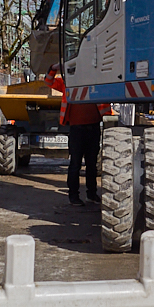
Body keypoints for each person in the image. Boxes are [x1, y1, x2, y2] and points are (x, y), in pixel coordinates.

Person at [46, 64, 112, 206]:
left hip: (93, 128)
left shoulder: (97, 82)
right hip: (77, 129)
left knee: (91, 164)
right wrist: (53, 68)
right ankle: (73, 196)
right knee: (75, 164)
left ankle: (92, 194)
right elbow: (48, 81)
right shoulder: (67, 83)